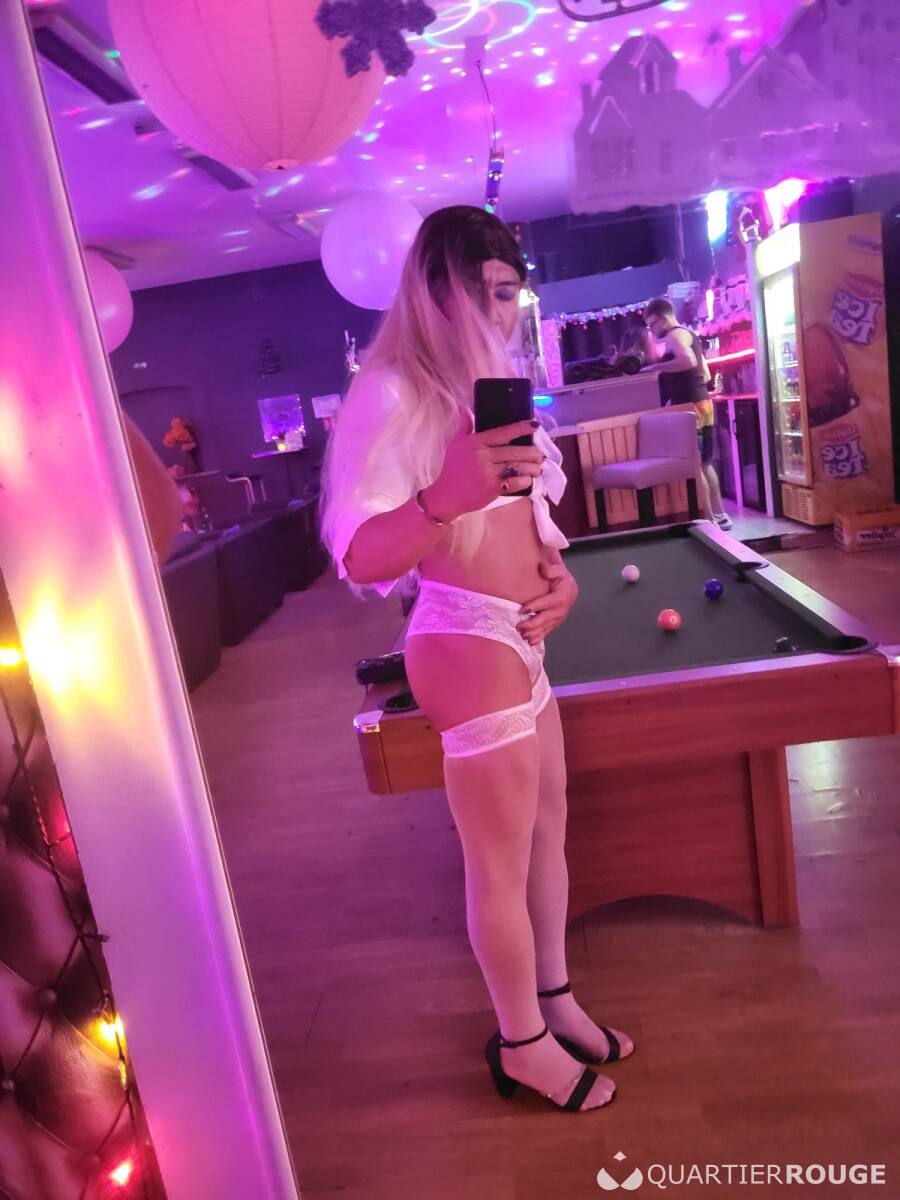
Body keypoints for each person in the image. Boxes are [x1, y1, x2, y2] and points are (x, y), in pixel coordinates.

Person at [321, 206, 634, 1114]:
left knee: (547, 829)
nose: (499, 310)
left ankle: (554, 1000)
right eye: (484, 290)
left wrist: (560, 579)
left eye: (510, 292)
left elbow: (525, 514)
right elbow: (360, 556)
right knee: (497, 858)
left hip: (524, 636)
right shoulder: (390, 390)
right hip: (463, 635)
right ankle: (521, 1042)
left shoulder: (492, 383)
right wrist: (441, 499)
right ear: (434, 288)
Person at [640, 297, 732, 530]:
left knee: (695, 465)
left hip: (690, 407)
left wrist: (657, 367)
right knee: (705, 464)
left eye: (652, 325)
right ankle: (721, 516)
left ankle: (709, 522)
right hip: (703, 404)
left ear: (663, 318)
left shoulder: (674, 336)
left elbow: (688, 361)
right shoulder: (689, 334)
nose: (652, 330)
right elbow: (705, 374)